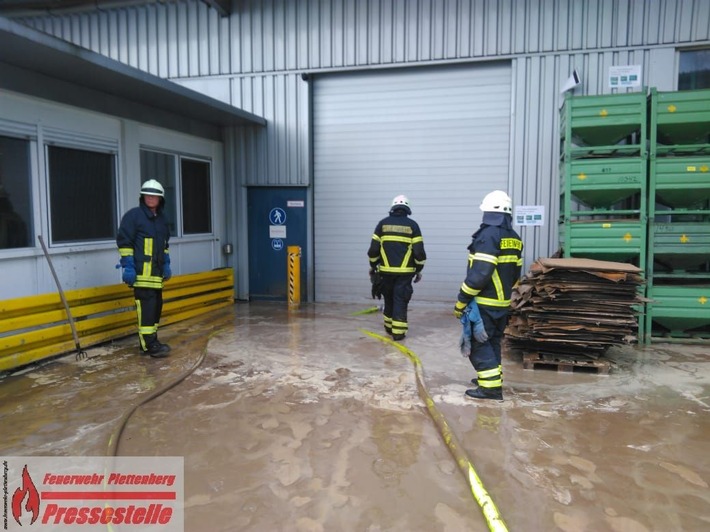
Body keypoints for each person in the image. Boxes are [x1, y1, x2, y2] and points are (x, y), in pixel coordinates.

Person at [453, 190, 523, 400]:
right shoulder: (513, 237)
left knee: (478, 344)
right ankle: (492, 378)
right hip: (501, 304)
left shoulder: (488, 236)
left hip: (483, 303)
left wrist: (461, 300)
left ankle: (490, 388)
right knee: (492, 342)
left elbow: (480, 274)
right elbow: (516, 274)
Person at [117, 179, 172, 357]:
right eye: (148, 195)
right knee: (146, 310)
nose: (151, 198)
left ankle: (151, 340)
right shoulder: (133, 216)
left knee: (156, 308)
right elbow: (125, 243)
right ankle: (149, 346)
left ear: (160, 199)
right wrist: (129, 267)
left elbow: (164, 244)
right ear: (142, 197)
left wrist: (167, 263)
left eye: (154, 196)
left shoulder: (162, 220)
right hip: (141, 275)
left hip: (156, 275)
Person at [368, 195, 426, 340]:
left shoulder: (382, 224)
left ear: (393, 207)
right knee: (400, 299)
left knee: (388, 297)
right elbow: (419, 253)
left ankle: (388, 327)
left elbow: (373, 250)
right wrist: (418, 269)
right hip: (405, 273)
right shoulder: (413, 226)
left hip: (385, 272)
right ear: (407, 209)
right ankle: (398, 333)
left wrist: (373, 266)